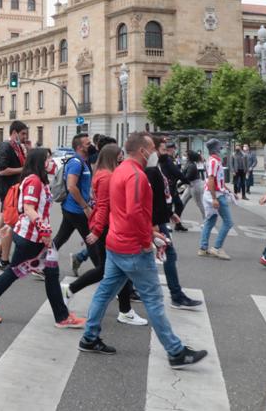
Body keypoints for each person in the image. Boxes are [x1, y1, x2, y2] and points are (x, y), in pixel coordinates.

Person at [77, 132, 208, 368]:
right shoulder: (136, 176)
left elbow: (125, 210)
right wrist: (147, 238)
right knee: (154, 299)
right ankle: (175, 351)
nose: (157, 153)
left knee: (106, 291)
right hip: (133, 247)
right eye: (153, 149)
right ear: (142, 151)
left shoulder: (119, 172)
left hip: (117, 243)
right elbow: (135, 212)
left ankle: (89, 337)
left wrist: (150, 232)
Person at [0, 147, 85, 328]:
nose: (51, 162)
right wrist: (44, 232)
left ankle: (62, 316)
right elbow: (29, 209)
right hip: (31, 237)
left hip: (37, 237)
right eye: (48, 159)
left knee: (51, 274)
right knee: (14, 272)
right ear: (39, 161)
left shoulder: (39, 180)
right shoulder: (33, 181)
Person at [64, 144, 139, 325]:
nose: (123, 157)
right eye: (120, 154)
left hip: (107, 226)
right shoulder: (106, 176)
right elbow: (104, 205)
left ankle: (125, 310)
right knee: (108, 271)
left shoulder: (106, 173)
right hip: (105, 227)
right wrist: (97, 231)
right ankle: (71, 289)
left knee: (117, 271)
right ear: (112, 156)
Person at [146, 137, 203, 310]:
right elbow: (149, 199)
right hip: (154, 221)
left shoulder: (158, 167)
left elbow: (159, 196)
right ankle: (176, 296)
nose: (167, 153)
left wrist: (170, 214)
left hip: (159, 219)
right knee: (164, 255)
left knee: (141, 258)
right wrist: (154, 223)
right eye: (163, 150)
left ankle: (176, 295)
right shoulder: (150, 169)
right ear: (153, 150)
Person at [0, 121, 29, 268]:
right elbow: (2, 170)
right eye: (23, 133)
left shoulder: (17, 146)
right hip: (7, 189)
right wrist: (23, 169)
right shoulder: (7, 146)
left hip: (15, 189)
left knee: (6, 218)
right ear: (14, 132)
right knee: (9, 221)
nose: (25, 136)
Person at [52, 133, 93, 255]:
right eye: (88, 144)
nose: (91, 146)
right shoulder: (76, 163)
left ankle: (41, 262)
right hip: (76, 210)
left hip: (72, 208)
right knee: (92, 242)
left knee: (60, 238)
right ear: (80, 147)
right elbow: (71, 186)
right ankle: (101, 271)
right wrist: (85, 206)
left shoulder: (82, 161)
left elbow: (82, 186)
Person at [199, 139, 234, 260]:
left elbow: (217, 180)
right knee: (228, 222)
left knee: (210, 221)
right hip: (216, 195)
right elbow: (211, 179)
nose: (221, 148)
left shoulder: (212, 160)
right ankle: (217, 248)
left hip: (213, 193)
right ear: (215, 148)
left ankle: (203, 248)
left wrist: (228, 189)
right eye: (220, 146)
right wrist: (214, 198)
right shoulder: (214, 161)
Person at [178, 150, 206, 226]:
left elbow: (187, 177)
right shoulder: (188, 163)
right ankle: (177, 218)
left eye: (186, 155)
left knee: (199, 203)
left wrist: (178, 185)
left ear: (189, 156)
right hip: (190, 185)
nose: (184, 156)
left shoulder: (192, 166)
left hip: (195, 186)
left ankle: (206, 221)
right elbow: (182, 175)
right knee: (181, 202)